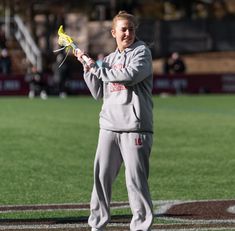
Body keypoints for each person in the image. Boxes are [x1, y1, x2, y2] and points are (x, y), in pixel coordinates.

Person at [75, 11, 154, 231]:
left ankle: (141, 227)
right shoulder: (109, 60)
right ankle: (97, 225)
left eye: (131, 28)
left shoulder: (142, 53)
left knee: (135, 183)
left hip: (135, 128)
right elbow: (97, 92)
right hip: (109, 126)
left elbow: (129, 76)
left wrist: (98, 69)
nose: (128, 33)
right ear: (114, 33)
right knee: (100, 179)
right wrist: (88, 68)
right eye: (123, 29)